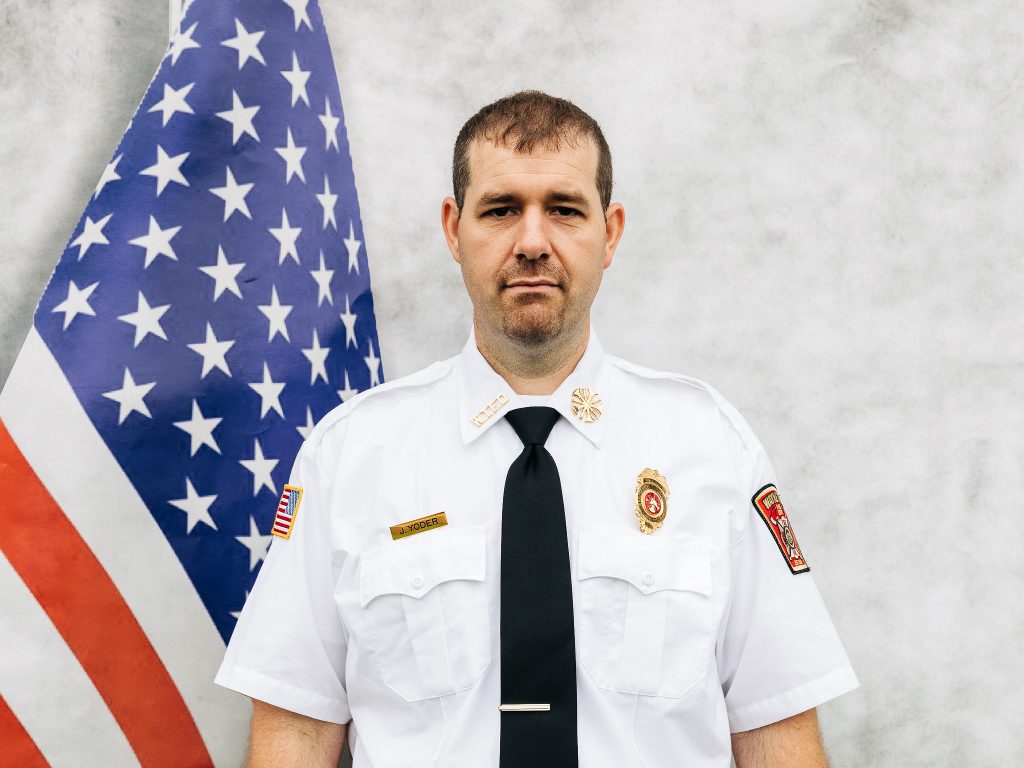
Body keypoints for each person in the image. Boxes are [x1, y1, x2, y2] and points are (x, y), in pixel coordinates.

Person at [216, 90, 858, 767]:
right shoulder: (351, 456)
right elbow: (294, 733)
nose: (531, 242)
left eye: (563, 209)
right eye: (500, 210)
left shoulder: (711, 448)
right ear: (452, 227)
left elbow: (776, 733)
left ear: (609, 233)